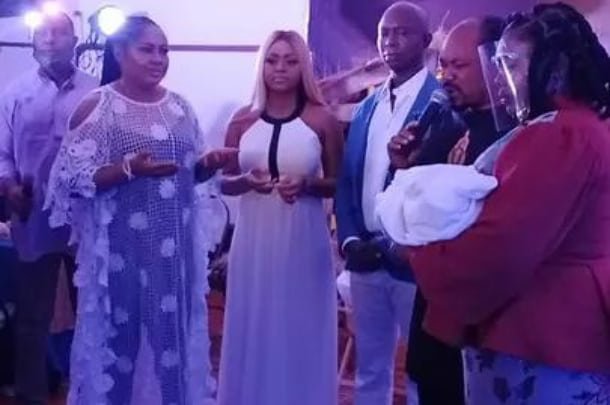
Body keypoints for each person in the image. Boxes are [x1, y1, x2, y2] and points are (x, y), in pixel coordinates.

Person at [404, 3, 610, 404]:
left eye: (511, 65)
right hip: (563, 327)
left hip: (542, 331)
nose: (500, 79)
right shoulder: (585, 124)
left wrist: (420, 250)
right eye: (498, 64)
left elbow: (503, 247)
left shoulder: (560, 135)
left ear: (551, 70)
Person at [44, 15, 235, 404]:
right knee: (121, 348)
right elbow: (69, 180)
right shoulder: (100, 106)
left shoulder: (180, 107)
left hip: (173, 256)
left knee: (172, 347)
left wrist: (207, 165)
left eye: (164, 50)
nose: (158, 58)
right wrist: (127, 170)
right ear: (119, 52)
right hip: (122, 254)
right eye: (147, 49)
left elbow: (186, 174)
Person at [217, 30, 343, 405]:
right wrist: (245, 181)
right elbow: (223, 183)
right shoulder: (242, 120)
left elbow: (339, 184)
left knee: (299, 324)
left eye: (290, 61)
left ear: (303, 67)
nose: (280, 68)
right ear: (262, 65)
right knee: (252, 321)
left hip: (303, 241)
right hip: (253, 242)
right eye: (272, 60)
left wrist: (307, 184)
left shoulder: (322, 120)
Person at [388, 16, 507, 405]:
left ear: (494, 63)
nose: (447, 76)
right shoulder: (445, 125)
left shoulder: (514, 135)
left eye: (459, 65)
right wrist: (404, 167)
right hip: (434, 311)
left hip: (483, 319)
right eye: (443, 65)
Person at [335, 2, 439, 404]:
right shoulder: (367, 106)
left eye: (402, 33)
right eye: (384, 33)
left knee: (420, 375)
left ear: (425, 41)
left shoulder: (442, 104)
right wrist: (349, 241)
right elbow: (347, 180)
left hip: (413, 263)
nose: (390, 42)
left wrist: (399, 243)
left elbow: (437, 189)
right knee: (370, 370)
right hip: (364, 258)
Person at [0, 12, 97, 404]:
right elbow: (2, 154)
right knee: (31, 319)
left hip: (87, 221)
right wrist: (9, 187)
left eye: (60, 32)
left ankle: (90, 393)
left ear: (75, 40)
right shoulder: (14, 92)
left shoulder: (97, 92)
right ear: (32, 41)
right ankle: (31, 396)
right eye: (43, 32)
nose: (51, 39)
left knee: (93, 315)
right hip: (33, 219)